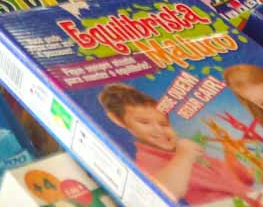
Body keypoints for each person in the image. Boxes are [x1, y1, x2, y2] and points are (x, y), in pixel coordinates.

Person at [98, 83, 253, 204]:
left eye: (164, 124)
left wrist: (233, 157)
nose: (159, 130)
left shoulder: (186, 151)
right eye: (144, 122)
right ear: (118, 120)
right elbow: (166, 190)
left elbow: (245, 179)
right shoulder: (149, 160)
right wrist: (184, 156)